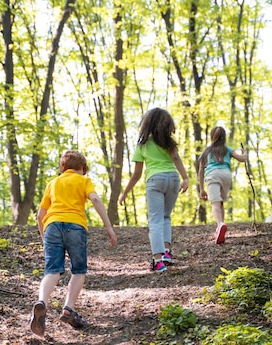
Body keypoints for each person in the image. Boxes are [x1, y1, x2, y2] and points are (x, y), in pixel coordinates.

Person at [30, 150, 117, 337]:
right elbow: (94, 198)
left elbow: (40, 215)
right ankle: (68, 309)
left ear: (62, 167)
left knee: (52, 270)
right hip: (76, 226)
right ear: (83, 168)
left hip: (52, 226)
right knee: (78, 270)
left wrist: (43, 236)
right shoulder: (84, 181)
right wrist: (108, 227)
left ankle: (42, 302)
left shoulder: (53, 183)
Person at [119, 108, 189, 273]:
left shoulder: (143, 144)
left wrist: (125, 192)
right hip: (173, 178)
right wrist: (185, 177)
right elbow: (176, 158)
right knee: (166, 217)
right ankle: (166, 253)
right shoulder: (168, 142)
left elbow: (137, 175)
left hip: (155, 180)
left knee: (155, 221)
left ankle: (158, 261)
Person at [197, 126, 247, 245]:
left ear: (212, 137)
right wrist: (245, 152)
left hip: (212, 175)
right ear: (224, 137)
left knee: (215, 203)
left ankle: (220, 225)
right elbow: (242, 159)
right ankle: (221, 227)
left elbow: (200, 171)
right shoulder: (228, 149)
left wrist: (201, 189)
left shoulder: (206, 151)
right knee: (220, 203)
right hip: (226, 175)